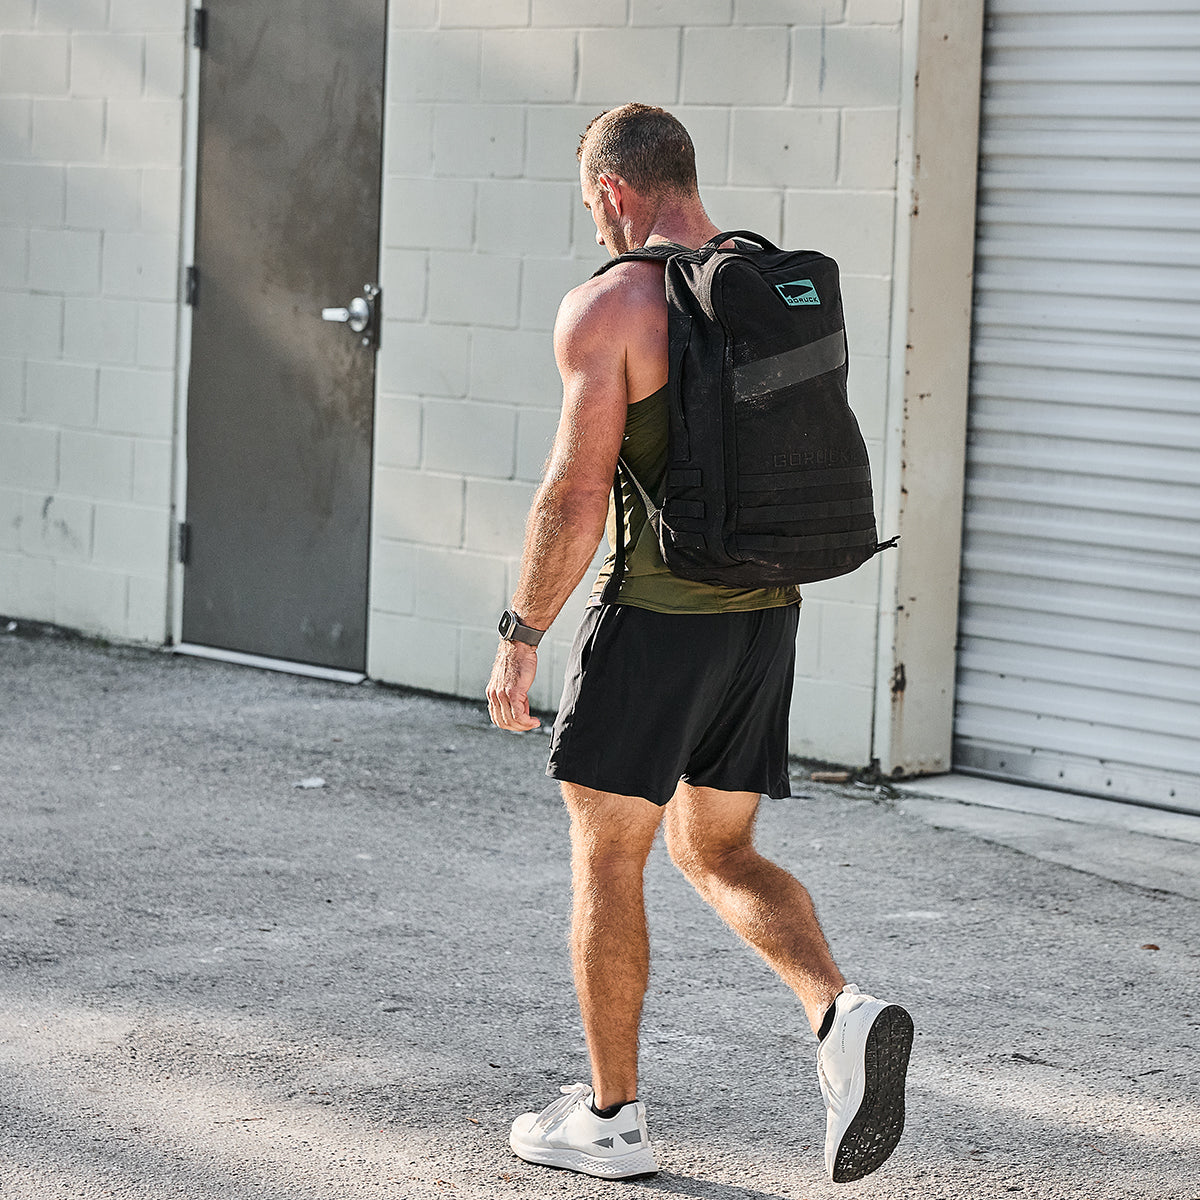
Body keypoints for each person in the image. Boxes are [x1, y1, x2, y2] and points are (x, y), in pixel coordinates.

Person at [486, 103, 912, 1185]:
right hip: (766, 615)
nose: (596, 228)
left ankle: (611, 1117)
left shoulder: (613, 305)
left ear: (618, 192)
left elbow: (574, 497)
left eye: (593, 207)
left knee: (609, 855)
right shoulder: (764, 287)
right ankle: (839, 1013)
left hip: (656, 628)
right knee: (716, 849)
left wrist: (521, 632)